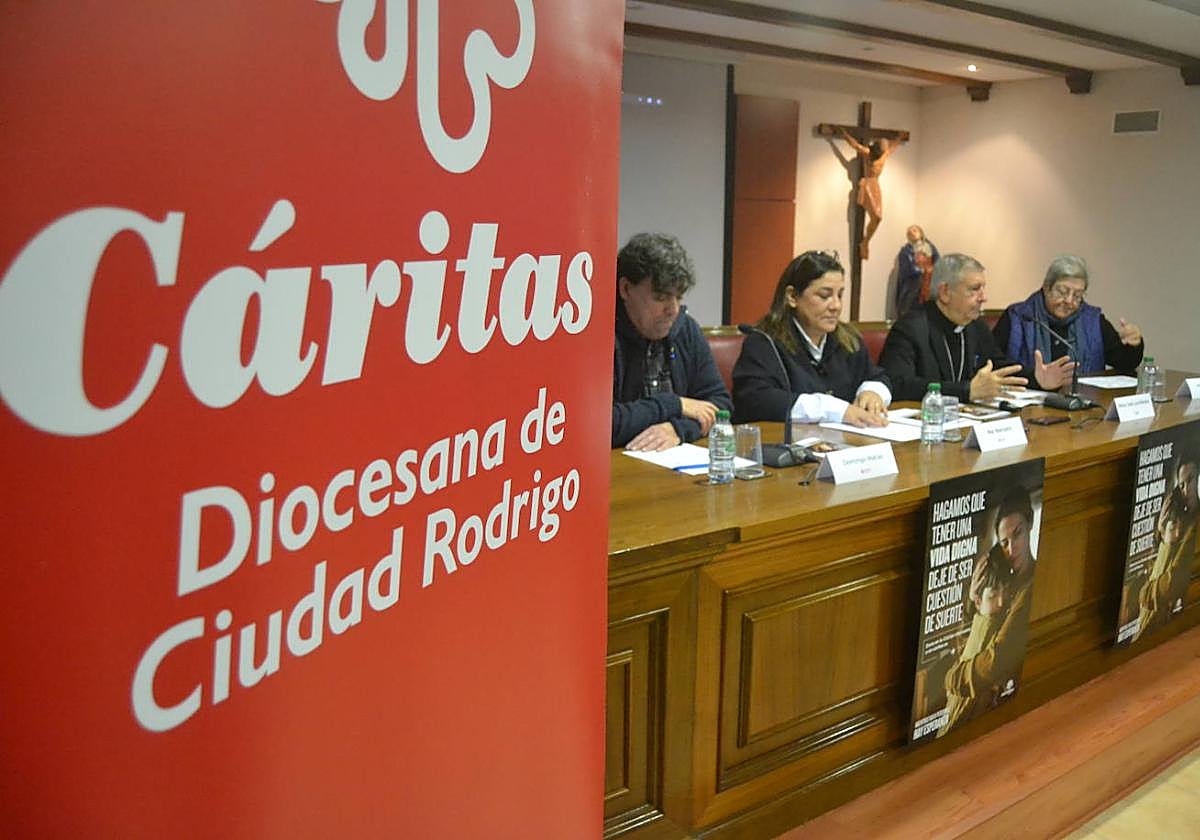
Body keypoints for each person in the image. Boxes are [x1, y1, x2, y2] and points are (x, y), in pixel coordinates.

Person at [732, 250, 891, 428]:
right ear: (792, 297)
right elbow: (756, 400)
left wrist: (872, 392)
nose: (836, 306)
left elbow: (877, 376)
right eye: (824, 296)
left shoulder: (848, 338)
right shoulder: (764, 342)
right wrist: (832, 409)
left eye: (840, 295)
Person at [612, 233, 732, 452]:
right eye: (661, 297)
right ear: (626, 289)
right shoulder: (598, 336)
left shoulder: (686, 329)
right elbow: (601, 424)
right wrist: (675, 404)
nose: (673, 310)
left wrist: (678, 429)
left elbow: (720, 405)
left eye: (679, 297)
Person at [942, 486, 1037, 731]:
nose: (1012, 549)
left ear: (1031, 524)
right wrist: (973, 602)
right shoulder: (1006, 579)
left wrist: (953, 678)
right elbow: (970, 641)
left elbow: (997, 659)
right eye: (1004, 542)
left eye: (1018, 534)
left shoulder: (1029, 586)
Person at [879, 253, 1028, 403]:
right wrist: (965, 391)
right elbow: (898, 384)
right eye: (974, 289)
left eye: (983, 289)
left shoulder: (976, 327)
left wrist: (1039, 378)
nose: (983, 298)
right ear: (945, 292)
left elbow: (1000, 368)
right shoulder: (911, 327)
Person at [992, 255, 1144, 389]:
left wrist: (1133, 344)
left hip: (1083, 405)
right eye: (1063, 292)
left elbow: (1125, 363)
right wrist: (1035, 378)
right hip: (1030, 404)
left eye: (1077, 295)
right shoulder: (1019, 317)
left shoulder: (1092, 320)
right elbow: (994, 365)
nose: (1069, 301)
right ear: (1046, 288)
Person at [938, 543, 1011, 735]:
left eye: (1005, 592)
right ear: (979, 601)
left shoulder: (1002, 621)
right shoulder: (982, 623)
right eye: (994, 595)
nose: (1001, 602)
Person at [1136, 455, 1198, 639]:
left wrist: (1167, 544)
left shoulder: (1193, 527)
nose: (1187, 490)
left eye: (1191, 479)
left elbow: (1164, 589)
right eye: (1182, 485)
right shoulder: (1182, 522)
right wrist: (1162, 534)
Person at [895, 225, 939, 318]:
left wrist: (932, 270)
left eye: (914, 230)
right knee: (911, 303)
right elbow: (906, 268)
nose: (912, 233)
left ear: (920, 232)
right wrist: (920, 271)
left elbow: (937, 261)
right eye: (909, 232)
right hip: (914, 281)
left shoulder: (930, 247)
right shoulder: (906, 251)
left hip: (929, 279)